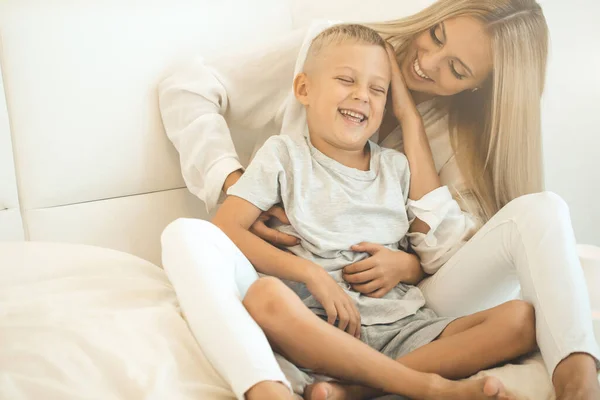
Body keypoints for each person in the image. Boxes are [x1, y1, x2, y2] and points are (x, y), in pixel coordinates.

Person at [158, 1, 600, 399]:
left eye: (457, 70)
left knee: (544, 219)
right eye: (436, 35)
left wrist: (411, 122)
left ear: (478, 89)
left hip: (404, 303)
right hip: (311, 290)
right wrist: (235, 183)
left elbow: (442, 254)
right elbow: (189, 88)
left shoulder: (437, 143)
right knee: (195, 244)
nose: (426, 61)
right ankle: (395, 384)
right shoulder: (332, 49)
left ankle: (579, 381)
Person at [211, 23, 538, 400]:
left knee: (520, 319)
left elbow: (419, 257)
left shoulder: (397, 168)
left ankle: (356, 389)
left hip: (401, 324)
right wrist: (310, 273)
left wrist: (407, 266)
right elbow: (226, 226)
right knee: (264, 297)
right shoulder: (283, 156)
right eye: (346, 80)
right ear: (304, 89)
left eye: (377, 89)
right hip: (322, 326)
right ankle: (417, 384)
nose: (361, 96)